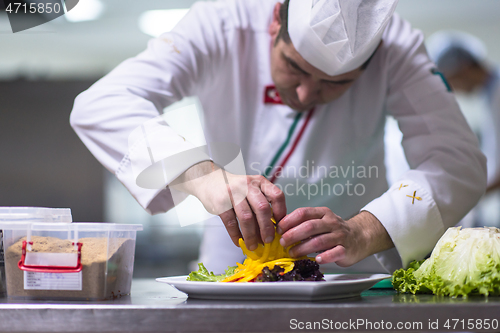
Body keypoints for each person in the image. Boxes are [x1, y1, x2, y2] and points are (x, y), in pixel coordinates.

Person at [70, 0, 486, 274]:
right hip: (232, 263)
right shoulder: (222, 21)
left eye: (335, 84)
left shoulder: (396, 47)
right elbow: (100, 104)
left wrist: (365, 229)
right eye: (296, 68)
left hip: (349, 271)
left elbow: (457, 161)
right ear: (274, 22)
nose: (306, 95)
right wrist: (203, 175)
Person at [427, 31, 500, 197]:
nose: (452, 90)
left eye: (450, 80)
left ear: (465, 68)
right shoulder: (490, 94)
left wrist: (466, 197)